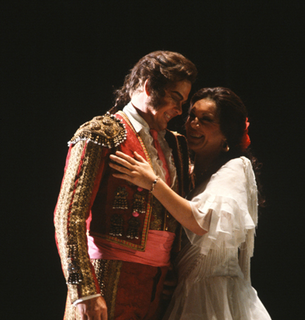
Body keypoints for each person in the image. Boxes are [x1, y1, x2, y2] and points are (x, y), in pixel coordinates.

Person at [53, 51, 198, 320]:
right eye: (175, 98)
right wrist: (83, 290)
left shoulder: (176, 145)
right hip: (106, 279)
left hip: (157, 287)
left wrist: (174, 270)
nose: (179, 111)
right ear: (148, 86)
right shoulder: (99, 133)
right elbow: (68, 215)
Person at [110, 87, 272, 319]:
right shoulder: (187, 171)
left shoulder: (236, 168)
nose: (193, 124)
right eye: (192, 117)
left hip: (214, 293)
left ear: (227, 132)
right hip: (185, 291)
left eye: (206, 120)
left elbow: (202, 222)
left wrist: (152, 182)